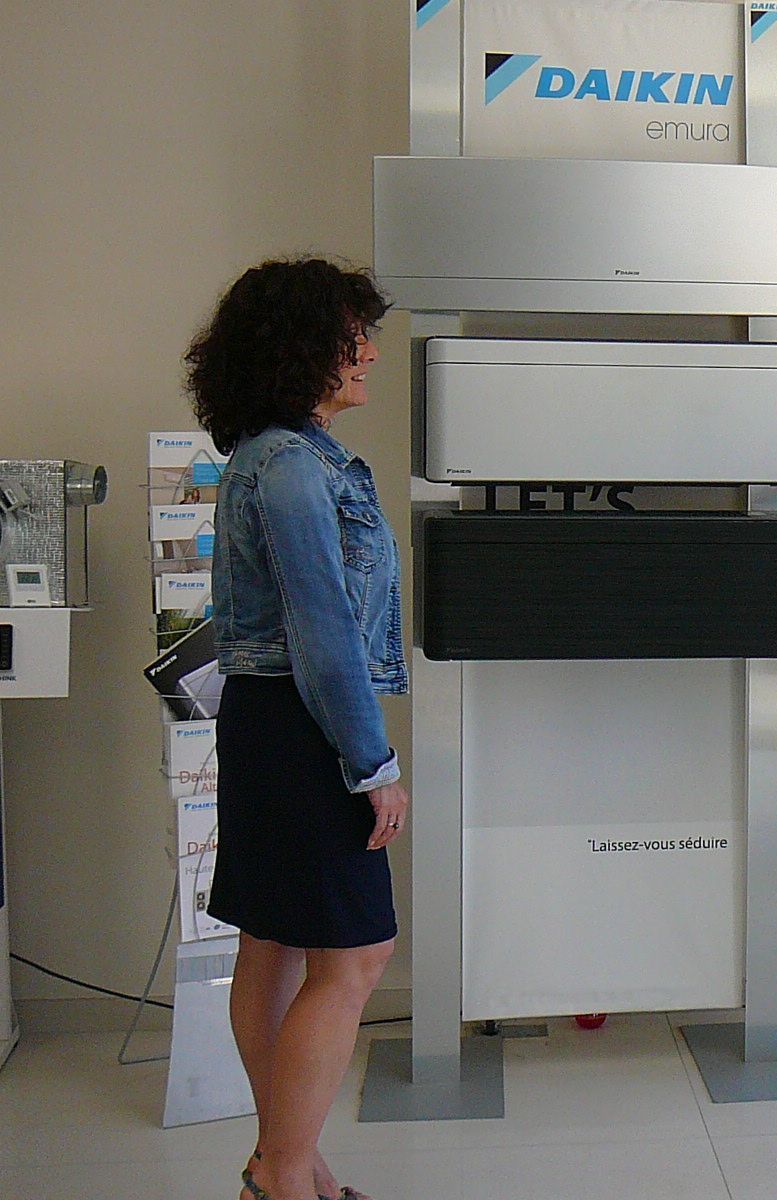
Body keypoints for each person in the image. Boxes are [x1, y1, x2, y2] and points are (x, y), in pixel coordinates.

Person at [186, 257, 409, 1200]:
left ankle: (289, 1164)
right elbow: (323, 638)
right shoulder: (288, 469)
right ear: (304, 348)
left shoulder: (273, 460)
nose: (368, 352)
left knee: (273, 944)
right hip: (304, 728)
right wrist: (373, 766)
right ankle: (284, 1176)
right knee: (355, 956)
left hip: (271, 722)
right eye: (352, 334)